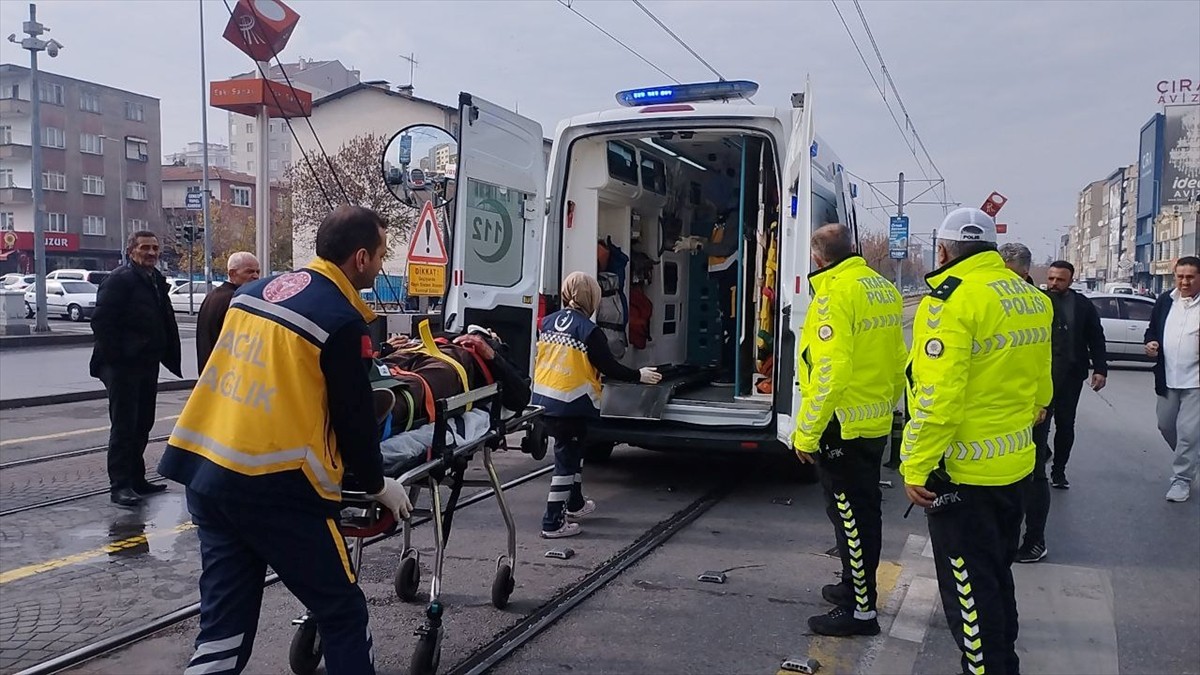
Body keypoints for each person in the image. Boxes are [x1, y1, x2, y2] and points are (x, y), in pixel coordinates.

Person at [157, 205, 412, 675]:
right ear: (360, 258)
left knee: (223, 628)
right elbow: (354, 418)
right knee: (342, 612)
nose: (380, 264)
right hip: (277, 487)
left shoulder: (252, 294)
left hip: (207, 474)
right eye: (379, 255)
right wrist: (378, 484)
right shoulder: (340, 320)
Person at [901, 208, 1052, 675]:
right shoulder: (1031, 299)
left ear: (943, 251)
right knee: (997, 576)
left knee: (969, 592)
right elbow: (1041, 392)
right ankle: (1005, 662)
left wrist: (915, 464)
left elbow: (937, 398)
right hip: (1013, 467)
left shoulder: (949, 302)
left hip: (961, 475)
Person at [792, 224, 906, 637]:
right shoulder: (881, 288)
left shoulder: (834, 295)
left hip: (841, 427)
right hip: (871, 423)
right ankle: (852, 587)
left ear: (819, 258)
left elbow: (830, 372)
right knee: (864, 512)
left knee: (850, 519)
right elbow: (898, 362)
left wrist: (806, 432)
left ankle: (860, 610)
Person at [533, 271, 662, 538]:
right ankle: (552, 522)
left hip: (545, 401)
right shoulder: (589, 331)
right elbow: (608, 366)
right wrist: (639, 375)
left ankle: (576, 503)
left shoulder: (547, 322)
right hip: (572, 404)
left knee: (574, 454)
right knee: (565, 463)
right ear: (591, 297)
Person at [90, 230, 182, 508]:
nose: (151, 253)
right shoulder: (120, 280)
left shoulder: (154, 279)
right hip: (123, 367)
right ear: (131, 251)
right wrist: (118, 359)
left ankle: (136, 478)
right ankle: (120, 485)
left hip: (146, 363)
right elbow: (101, 323)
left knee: (143, 422)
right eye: (145, 248)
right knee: (124, 426)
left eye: (155, 248)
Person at [999, 243, 1057, 563]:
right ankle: (1005, 537)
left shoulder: (1039, 303)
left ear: (1022, 270)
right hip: (1003, 402)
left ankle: (1035, 539)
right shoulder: (996, 298)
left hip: (1033, 404)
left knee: (1033, 474)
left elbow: (1050, 357)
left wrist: (1044, 403)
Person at [1039, 260, 1107, 489]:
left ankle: (1059, 471)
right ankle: (1037, 467)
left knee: (1066, 424)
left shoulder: (1082, 305)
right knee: (1039, 424)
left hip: (1071, 375)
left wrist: (1100, 369)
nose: (1054, 283)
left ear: (1070, 280)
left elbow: (1096, 337)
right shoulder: (1037, 301)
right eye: (1051, 278)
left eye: (1060, 279)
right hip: (1042, 377)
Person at [1143, 255, 1200, 503]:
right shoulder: (1166, 300)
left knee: (1188, 432)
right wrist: (1150, 343)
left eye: (1190, 277)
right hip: (1168, 377)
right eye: (1180, 276)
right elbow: (1152, 329)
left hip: (1196, 381)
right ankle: (1191, 457)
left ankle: (1181, 480)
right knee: (1166, 425)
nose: (1184, 282)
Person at [195, 251, 261, 371]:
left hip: (210, 370)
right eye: (249, 271)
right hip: (227, 372)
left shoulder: (214, 295)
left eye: (257, 271)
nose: (256, 276)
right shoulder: (236, 300)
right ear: (232, 273)